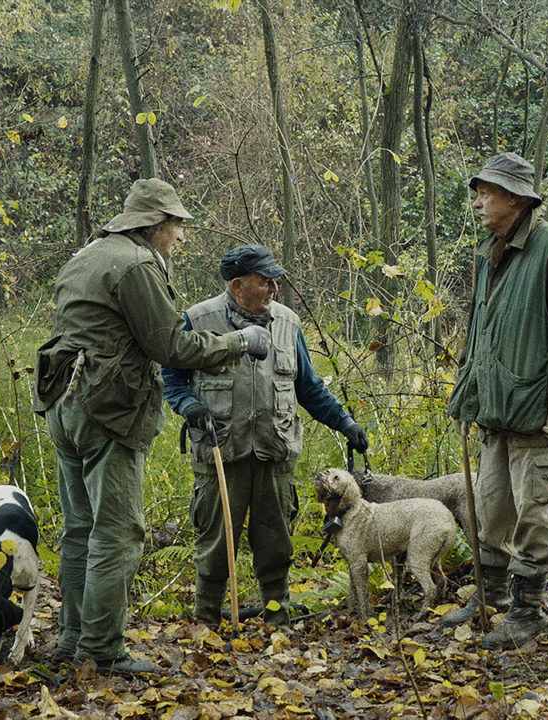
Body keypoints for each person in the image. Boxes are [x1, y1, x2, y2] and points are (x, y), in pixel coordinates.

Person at [32, 179, 272, 675]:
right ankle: (101, 651)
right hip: (107, 408)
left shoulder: (89, 253)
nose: (181, 237)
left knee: (79, 528)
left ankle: (71, 638)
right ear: (155, 225)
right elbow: (172, 348)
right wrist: (240, 342)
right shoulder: (138, 264)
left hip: (63, 403)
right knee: (117, 532)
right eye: (177, 226)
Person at [162, 244, 369, 626]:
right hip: (220, 452)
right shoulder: (198, 320)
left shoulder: (288, 323)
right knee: (215, 543)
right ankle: (206, 621)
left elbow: (309, 388)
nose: (274, 289)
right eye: (265, 281)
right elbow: (172, 378)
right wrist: (189, 407)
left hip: (275, 453)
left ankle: (276, 617)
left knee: (276, 545)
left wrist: (345, 423)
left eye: (276, 281)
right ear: (238, 285)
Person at [441, 152, 548, 650]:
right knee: (491, 511)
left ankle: (529, 614)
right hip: (496, 414)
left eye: (486, 191)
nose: (478, 200)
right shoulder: (491, 251)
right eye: (479, 191)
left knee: (536, 516)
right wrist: (468, 396)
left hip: (537, 415)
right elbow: (479, 334)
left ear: (514, 197)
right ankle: (491, 597)